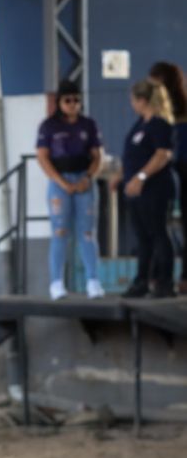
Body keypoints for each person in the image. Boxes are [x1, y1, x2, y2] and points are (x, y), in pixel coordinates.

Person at [35, 79, 106, 299]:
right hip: (60, 182)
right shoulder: (48, 126)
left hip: (83, 180)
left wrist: (88, 176)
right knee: (59, 232)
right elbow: (42, 157)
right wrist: (60, 181)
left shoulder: (88, 124)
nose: (73, 104)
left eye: (76, 100)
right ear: (59, 102)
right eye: (68, 100)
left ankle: (93, 281)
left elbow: (97, 156)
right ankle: (56, 282)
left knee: (87, 232)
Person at [119, 79, 178, 298]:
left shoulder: (160, 124)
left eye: (133, 100)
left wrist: (141, 177)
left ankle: (164, 282)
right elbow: (132, 153)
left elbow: (162, 154)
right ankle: (141, 281)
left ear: (142, 100)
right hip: (136, 192)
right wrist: (122, 176)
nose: (132, 104)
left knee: (158, 233)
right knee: (143, 237)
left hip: (155, 189)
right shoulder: (140, 124)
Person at [147, 61, 187, 294]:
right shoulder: (161, 112)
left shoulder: (176, 110)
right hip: (169, 172)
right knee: (162, 226)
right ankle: (161, 276)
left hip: (178, 168)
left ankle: (178, 277)